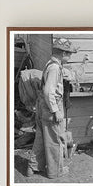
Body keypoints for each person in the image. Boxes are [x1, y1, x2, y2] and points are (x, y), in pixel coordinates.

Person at [27, 37, 79, 178]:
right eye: (69, 54)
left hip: (43, 107)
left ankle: (32, 167)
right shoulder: (55, 68)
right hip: (51, 108)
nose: (70, 56)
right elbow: (48, 91)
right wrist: (56, 111)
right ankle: (54, 171)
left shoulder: (50, 64)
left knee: (40, 138)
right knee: (54, 140)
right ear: (63, 53)